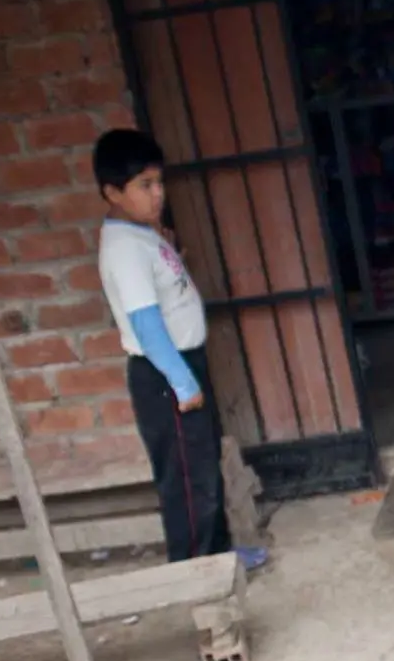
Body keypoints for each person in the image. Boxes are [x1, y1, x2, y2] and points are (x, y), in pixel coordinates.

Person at [93, 129, 267, 571]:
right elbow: (146, 324)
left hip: (179, 368)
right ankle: (194, 574)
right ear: (112, 192)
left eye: (159, 182)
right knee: (188, 483)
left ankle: (219, 559)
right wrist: (183, 382)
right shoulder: (123, 248)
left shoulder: (141, 234)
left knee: (203, 467)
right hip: (165, 376)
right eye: (144, 186)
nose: (157, 194)